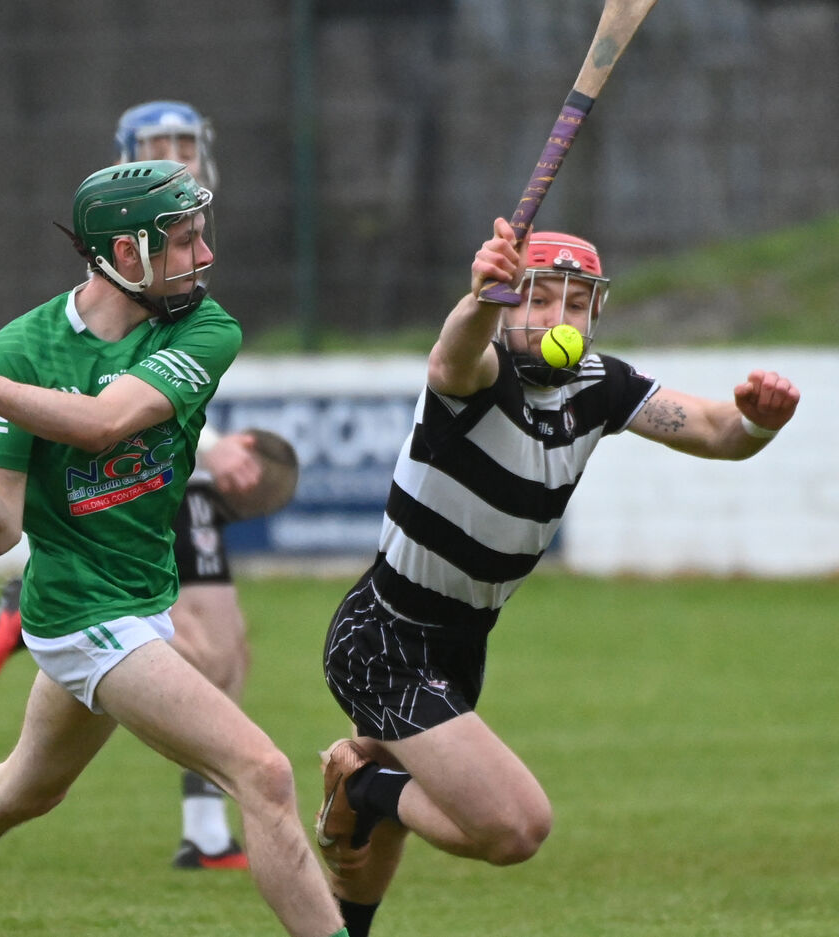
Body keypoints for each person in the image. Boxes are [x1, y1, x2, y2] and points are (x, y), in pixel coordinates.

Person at [0, 159, 347, 937]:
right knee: (261, 772)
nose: (205, 254)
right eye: (184, 240)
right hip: (80, 611)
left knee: (22, 789)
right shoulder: (23, 348)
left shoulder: (203, 328)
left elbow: (103, 423)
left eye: (200, 234)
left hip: (143, 598)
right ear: (126, 254)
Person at [313, 219, 801, 937]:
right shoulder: (480, 376)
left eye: (575, 304)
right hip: (387, 637)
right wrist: (480, 296)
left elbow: (713, 429)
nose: (557, 319)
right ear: (508, 303)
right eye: (538, 299)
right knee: (515, 828)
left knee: (387, 826)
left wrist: (758, 422)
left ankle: (354, 877)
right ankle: (358, 786)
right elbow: (451, 357)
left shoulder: (600, 384)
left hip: (461, 642)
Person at [0, 99, 271, 871]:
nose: (180, 158)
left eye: (187, 145)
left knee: (227, 649)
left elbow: (152, 397)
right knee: (219, 684)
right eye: (159, 146)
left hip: (167, 473)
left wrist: (211, 448)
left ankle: (205, 832)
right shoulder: (107, 272)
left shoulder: (201, 306)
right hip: (117, 503)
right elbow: (106, 404)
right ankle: (32, 608)